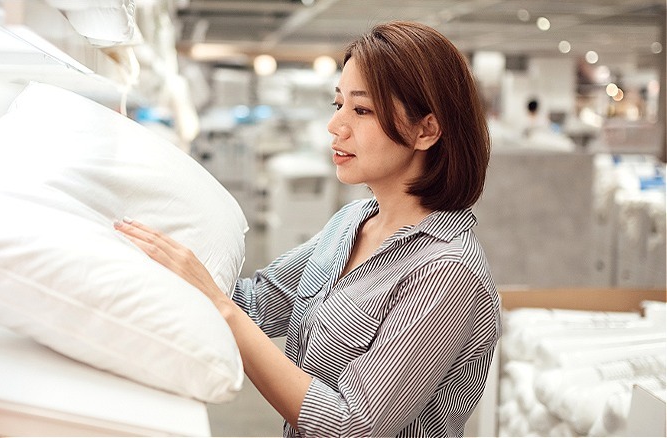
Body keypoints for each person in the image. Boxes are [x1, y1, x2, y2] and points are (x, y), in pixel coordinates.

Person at [115, 20, 501, 438]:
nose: (336, 126)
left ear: (426, 130)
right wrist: (150, 255)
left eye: (362, 110)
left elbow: (349, 425)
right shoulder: (352, 222)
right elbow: (259, 303)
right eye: (338, 105)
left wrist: (218, 307)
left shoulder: (448, 272)